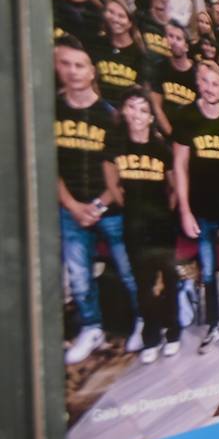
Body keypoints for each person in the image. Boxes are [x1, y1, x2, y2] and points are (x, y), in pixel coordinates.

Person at [56, 36, 141, 364]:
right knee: (78, 275)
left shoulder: (110, 116)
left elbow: (120, 169)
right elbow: (52, 167)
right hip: (71, 206)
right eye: (67, 64)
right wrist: (73, 206)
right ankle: (91, 327)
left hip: (110, 207)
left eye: (80, 65)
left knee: (127, 270)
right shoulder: (53, 110)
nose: (74, 72)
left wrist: (99, 205)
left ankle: (141, 320)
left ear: (92, 71)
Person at [174, 59, 219, 351]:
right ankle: (214, 323)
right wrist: (184, 209)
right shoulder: (186, 117)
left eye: (216, 83)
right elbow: (179, 166)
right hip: (200, 211)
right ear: (198, 84)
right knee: (207, 271)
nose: (211, 88)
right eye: (205, 82)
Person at [110, 88, 180, 362]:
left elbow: (174, 188)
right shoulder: (118, 147)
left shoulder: (161, 149)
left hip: (161, 225)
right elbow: (113, 185)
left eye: (143, 109)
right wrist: (131, 209)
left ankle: (172, 330)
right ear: (124, 111)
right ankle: (151, 336)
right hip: (133, 224)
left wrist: (165, 213)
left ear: (151, 116)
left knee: (169, 278)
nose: (137, 114)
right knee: (143, 283)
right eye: (132, 107)